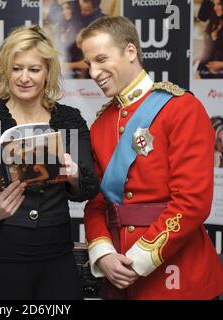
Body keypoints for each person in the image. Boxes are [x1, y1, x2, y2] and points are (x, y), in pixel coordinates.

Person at [81, 16, 223, 299]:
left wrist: (140, 258)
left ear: (130, 52)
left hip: (178, 273)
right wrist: (104, 254)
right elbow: (97, 204)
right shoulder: (100, 125)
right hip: (118, 276)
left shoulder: (182, 109)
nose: (94, 72)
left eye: (100, 59)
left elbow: (192, 202)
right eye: (88, 64)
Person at [0, 25, 100, 300]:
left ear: (48, 72)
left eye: (34, 69)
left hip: (56, 259)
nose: (24, 78)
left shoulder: (69, 119)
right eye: (17, 69)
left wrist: (73, 174)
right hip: (2, 259)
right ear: (5, 70)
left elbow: (88, 188)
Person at [197, 0, 223, 78]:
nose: (215, 8)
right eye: (214, 4)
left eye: (219, 4)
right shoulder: (214, 21)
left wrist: (221, 65)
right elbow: (202, 16)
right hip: (204, 73)